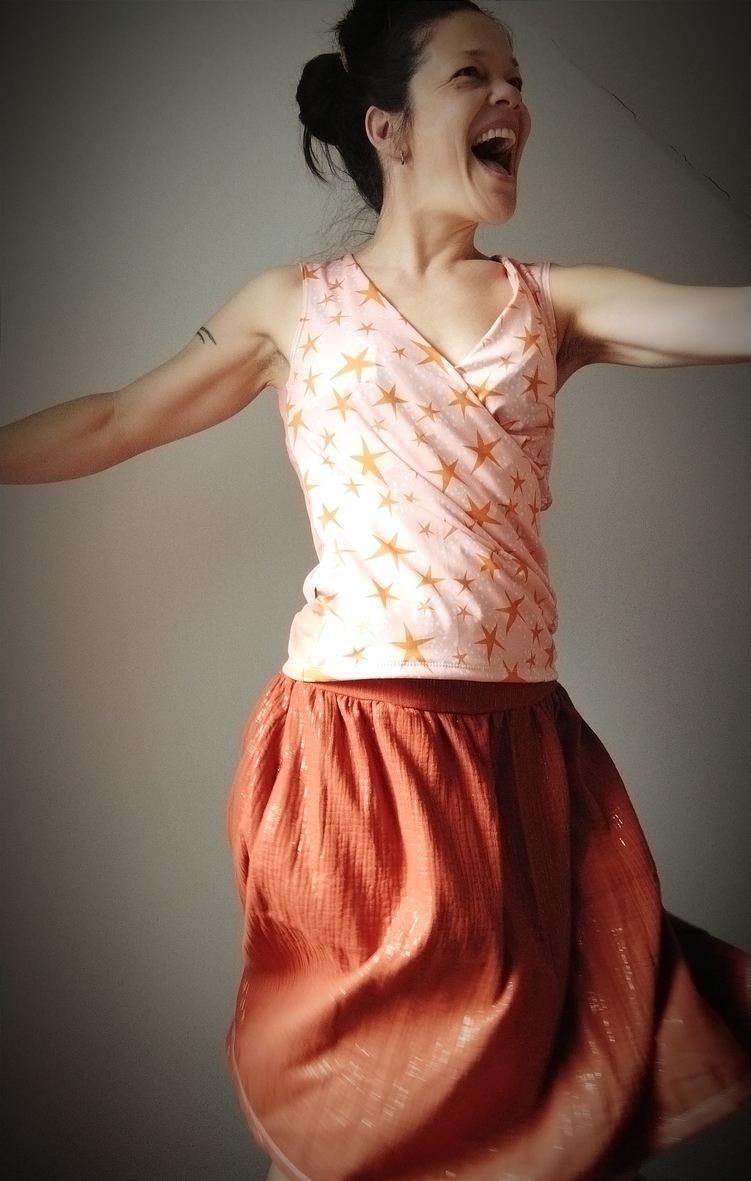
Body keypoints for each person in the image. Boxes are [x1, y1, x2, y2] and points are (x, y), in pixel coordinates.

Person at [1, 2, 749, 1178]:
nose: (512, 98)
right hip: (352, 752)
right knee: (362, 1094)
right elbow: (114, 418)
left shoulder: (554, 302)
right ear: (387, 127)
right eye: (473, 75)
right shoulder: (289, 306)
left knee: (527, 1082)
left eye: (518, 77)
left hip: (518, 753)